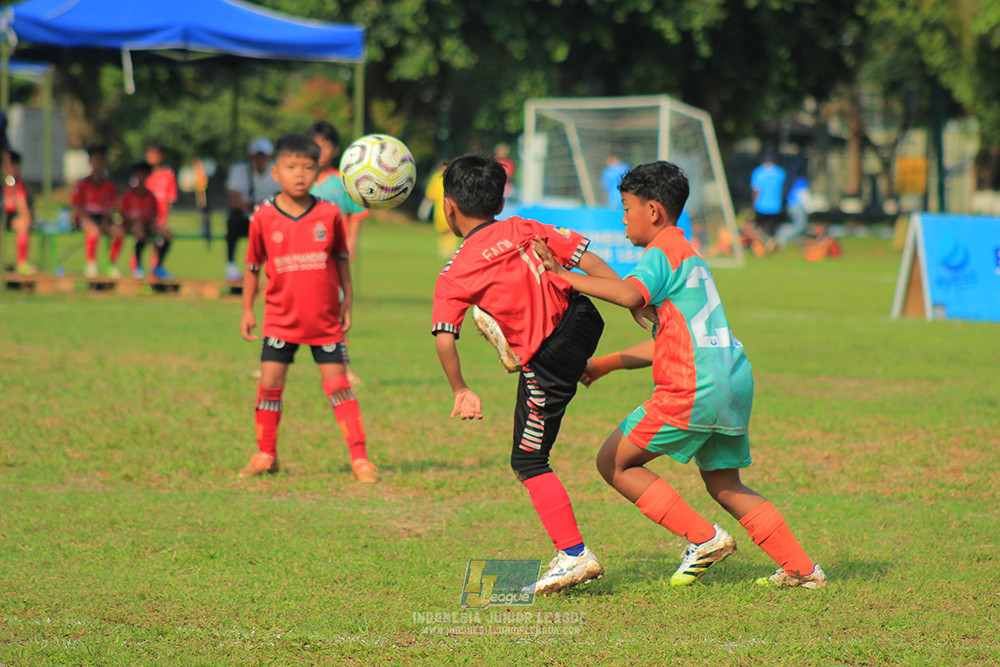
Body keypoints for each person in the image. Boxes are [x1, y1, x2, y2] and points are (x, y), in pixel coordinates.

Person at [531, 161, 827, 590]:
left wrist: (564, 277)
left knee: (614, 461)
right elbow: (664, 340)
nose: (623, 218)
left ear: (653, 211)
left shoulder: (663, 249)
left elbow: (630, 294)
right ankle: (802, 570)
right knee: (725, 483)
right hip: (731, 378)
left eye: (626, 208)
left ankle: (704, 539)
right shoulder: (688, 255)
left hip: (694, 384)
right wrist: (603, 365)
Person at [431, 153, 621, 595]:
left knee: (529, 460)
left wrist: (461, 388)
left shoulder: (455, 271)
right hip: (585, 319)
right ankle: (516, 335)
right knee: (542, 325)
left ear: (449, 208)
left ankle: (574, 555)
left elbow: (444, 338)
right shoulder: (524, 226)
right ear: (499, 199)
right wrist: (633, 302)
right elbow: (588, 260)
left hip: (549, 359)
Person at [239, 133, 378, 484]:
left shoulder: (330, 214)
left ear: (318, 172)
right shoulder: (263, 216)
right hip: (280, 320)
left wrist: (348, 297)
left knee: (339, 386)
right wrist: (247, 309)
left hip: (324, 320)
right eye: (290, 167)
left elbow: (342, 258)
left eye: (307, 167)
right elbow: (253, 264)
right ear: (275, 172)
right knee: (270, 383)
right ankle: (266, 453)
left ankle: (360, 458)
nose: (299, 174)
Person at [306, 121, 369, 261]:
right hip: (306, 249)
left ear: (335, 150)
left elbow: (356, 213)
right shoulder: (300, 181)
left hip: (335, 250)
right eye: (316, 145)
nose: (321, 151)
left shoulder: (343, 181)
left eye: (326, 146)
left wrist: (351, 242)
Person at [226, 137, 281, 281]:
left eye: (263, 157)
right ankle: (231, 265)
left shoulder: (277, 171)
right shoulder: (239, 170)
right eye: (257, 156)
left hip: (267, 219)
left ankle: (275, 267)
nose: (260, 160)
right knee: (233, 220)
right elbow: (234, 200)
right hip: (246, 218)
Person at [71, 145, 122, 278]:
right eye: (95, 160)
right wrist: (87, 221)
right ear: (90, 162)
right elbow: (78, 206)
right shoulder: (82, 184)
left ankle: (111, 265)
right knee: (93, 230)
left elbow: (110, 207)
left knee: (118, 232)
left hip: (102, 217)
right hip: (86, 217)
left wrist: (105, 221)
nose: (98, 164)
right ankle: (91, 264)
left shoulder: (109, 185)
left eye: (100, 161)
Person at [120, 161, 173, 279]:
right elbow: (123, 213)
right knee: (140, 234)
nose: (142, 177)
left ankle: (158, 267)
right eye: (139, 174)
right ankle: (138, 267)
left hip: (147, 224)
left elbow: (154, 214)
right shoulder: (128, 194)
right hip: (132, 225)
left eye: (144, 174)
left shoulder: (150, 195)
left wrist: (154, 224)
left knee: (168, 235)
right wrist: (134, 224)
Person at [144, 140, 178, 279]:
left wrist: (165, 220)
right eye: (150, 153)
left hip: (160, 221)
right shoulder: (142, 174)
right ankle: (138, 277)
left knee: (161, 243)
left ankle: (155, 275)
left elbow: (169, 200)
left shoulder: (168, 174)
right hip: (143, 219)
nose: (152, 156)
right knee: (139, 245)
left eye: (155, 153)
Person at [4, 151, 37, 275]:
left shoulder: (18, 184)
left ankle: (21, 262)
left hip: (11, 216)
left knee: (23, 224)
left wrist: (29, 219)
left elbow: (21, 204)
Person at [417, 161, 455, 258]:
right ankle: (443, 250)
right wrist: (425, 208)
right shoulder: (436, 178)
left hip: (451, 207)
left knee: (451, 229)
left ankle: (451, 250)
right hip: (439, 209)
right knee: (442, 230)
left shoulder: (453, 178)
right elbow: (431, 194)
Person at [750, 150, 786, 238]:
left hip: (761, 205)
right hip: (776, 205)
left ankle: (762, 243)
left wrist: (753, 202)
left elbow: (756, 189)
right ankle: (770, 241)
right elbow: (782, 189)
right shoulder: (780, 172)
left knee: (759, 227)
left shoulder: (759, 172)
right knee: (771, 227)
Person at [776, 171, 812, 249]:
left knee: (802, 224)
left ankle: (801, 243)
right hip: (797, 205)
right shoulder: (802, 181)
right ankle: (782, 235)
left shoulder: (795, 180)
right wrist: (809, 208)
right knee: (799, 226)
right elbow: (803, 195)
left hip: (792, 205)